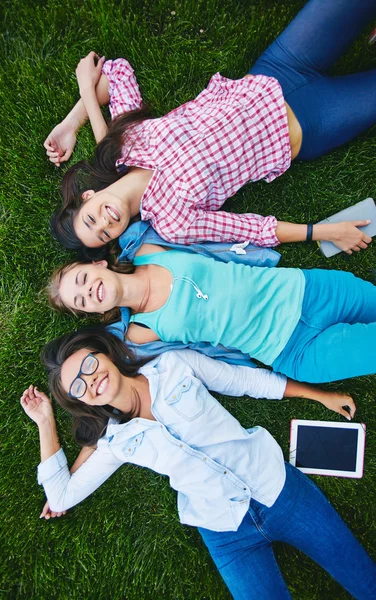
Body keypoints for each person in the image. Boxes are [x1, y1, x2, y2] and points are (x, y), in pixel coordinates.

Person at [20, 329, 375, 599]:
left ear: (106, 355)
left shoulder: (173, 365)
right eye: (78, 386)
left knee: (366, 582)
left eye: (89, 364)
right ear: (81, 402)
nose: (91, 379)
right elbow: (61, 495)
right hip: (225, 532)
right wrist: (44, 423)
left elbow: (244, 381)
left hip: (280, 490)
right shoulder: (115, 443)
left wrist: (319, 394)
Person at [45, 0, 376, 259]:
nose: (105, 222)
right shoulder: (173, 223)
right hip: (311, 122)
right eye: (104, 234)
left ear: (88, 196)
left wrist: (73, 119)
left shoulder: (125, 144)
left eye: (91, 219)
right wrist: (324, 232)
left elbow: (116, 74)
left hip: (278, 70)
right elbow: (250, 228)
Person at [47, 242, 376, 384]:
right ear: (91, 311)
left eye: (82, 280)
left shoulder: (149, 248)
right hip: (292, 350)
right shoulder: (139, 332)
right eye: (81, 300)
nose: (88, 291)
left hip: (308, 291)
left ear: (97, 264)